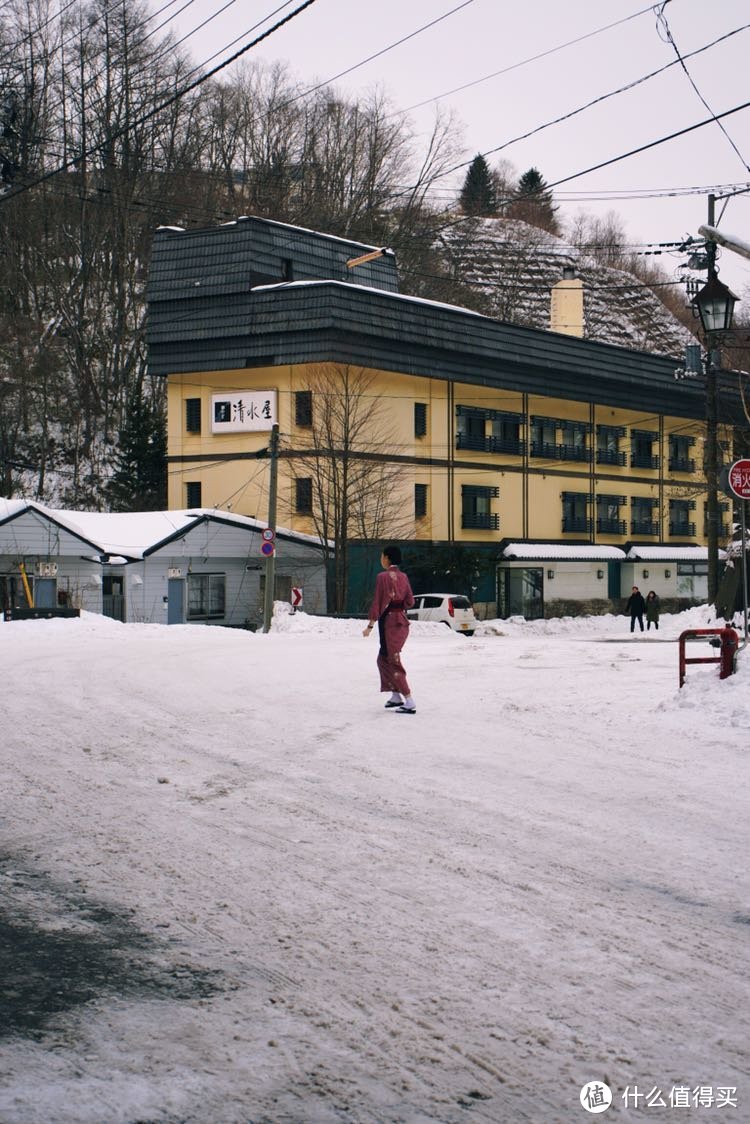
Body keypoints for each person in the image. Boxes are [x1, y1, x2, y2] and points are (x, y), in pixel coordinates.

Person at [362, 545, 416, 713]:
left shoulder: (382, 577)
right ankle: (395, 695)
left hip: (389, 622)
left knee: (392, 659)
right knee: (383, 658)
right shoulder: (404, 577)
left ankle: (408, 700)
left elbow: (377, 602)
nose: (381, 559)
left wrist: (369, 626)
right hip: (401, 621)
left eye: (382, 556)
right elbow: (410, 602)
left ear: (387, 558)